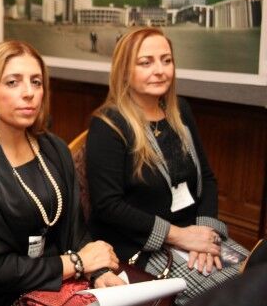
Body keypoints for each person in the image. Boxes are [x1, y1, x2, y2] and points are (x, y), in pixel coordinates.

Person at [0, 40, 123, 306]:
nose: (29, 93)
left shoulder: (53, 148)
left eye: (36, 82)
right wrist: (76, 263)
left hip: (59, 285)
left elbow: (75, 229)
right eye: (13, 82)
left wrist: (98, 272)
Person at [85, 27, 247, 305]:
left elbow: (207, 179)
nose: (159, 70)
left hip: (195, 233)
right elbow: (108, 206)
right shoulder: (108, 125)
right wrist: (180, 236)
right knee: (233, 295)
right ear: (124, 71)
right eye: (145, 62)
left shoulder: (179, 110)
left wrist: (207, 235)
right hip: (144, 245)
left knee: (256, 274)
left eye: (166, 60)